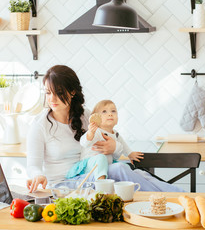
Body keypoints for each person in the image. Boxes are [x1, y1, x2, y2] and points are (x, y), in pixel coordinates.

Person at [26, 65, 183, 193]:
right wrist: (38, 175)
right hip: (64, 186)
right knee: (121, 169)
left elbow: (113, 144)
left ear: (72, 92)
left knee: (137, 173)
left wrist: (114, 147)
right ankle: (177, 195)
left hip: (92, 174)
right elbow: (33, 165)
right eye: (48, 93)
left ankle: (175, 196)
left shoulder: (87, 116)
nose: (51, 99)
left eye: (58, 93)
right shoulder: (39, 125)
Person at [65, 99, 144, 180]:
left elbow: (123, 145)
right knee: (101, 158)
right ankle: (101, 182)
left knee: (125, 166)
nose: (110, 114)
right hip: (90, 165)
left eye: (113, 111)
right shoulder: (96, 131)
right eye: (104, 112)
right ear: (96, 119)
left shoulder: (116, 134)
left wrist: (130, 154)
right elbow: (84, 143)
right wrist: (90, 134)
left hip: (106, 164)